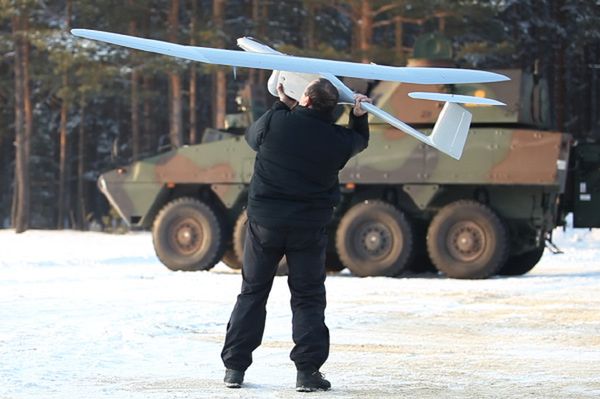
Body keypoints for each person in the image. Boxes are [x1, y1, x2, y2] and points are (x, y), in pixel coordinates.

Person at [221, 78, 372, 392]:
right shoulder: (337, 140)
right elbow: (359, 141)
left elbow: (252, 137)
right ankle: (307, 372)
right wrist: (358, 115)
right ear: (331, 108)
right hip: (308, 228)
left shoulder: (276, 122)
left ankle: (235, 368)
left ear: (305, 100)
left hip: (265, 224)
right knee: (307, 298)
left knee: (252, 292)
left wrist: (281, 103)